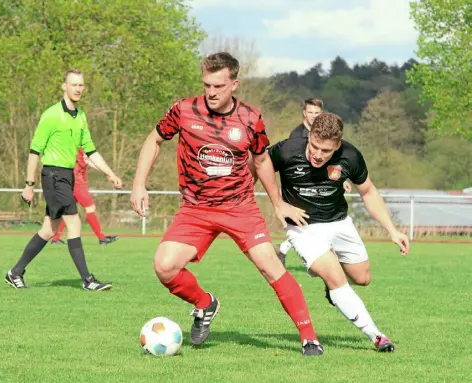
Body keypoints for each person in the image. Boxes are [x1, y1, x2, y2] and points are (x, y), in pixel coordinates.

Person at [130, 52, 324, 356]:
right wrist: (139, 184)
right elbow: (154, 139)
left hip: (239, 207)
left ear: (234, 83)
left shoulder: (250, 118)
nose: (211, 92)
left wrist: (278, 204)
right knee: (164, 266)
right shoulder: (184, 110)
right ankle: (205, 304)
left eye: (218, 86)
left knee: (270, 266)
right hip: (195, 208)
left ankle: (309, 337)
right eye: (207, 84)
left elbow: (261, 161)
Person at [267, 112, 410, 352]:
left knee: (363, 278)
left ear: (338, 145)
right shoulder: (286, 150)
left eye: (326, 151)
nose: (318, 155)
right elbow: (256, 167)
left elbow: (368, 192)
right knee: (336, 278)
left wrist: (393, 231)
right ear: (309, 136)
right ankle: (377, 336)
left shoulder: (351, 156)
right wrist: (278, 203)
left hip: (339, 223)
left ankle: (331, 284)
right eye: (314, 146)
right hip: (303, 227)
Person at [5, 69, 122, 291]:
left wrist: (109, 173)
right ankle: (88, 280)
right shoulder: (51, 115)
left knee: (49, 230)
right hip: (53, 175)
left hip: (67, 176)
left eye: (81, 85)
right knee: (74, 222)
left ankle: (15, 272)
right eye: (74, 84)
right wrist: (29, 185)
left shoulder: (81, 117)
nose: (78, 89)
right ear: (64, 87)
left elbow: (90, 151)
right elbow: (34, 151)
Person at [273, 98, 352, 267]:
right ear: (304, 113)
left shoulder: (327, 135)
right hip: (300, 194)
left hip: (318, 191)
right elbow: (289, 166)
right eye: (310, 112)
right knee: (309, 231)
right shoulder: (296, 136)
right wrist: (279, 201)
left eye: (317, 113)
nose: (313, 116)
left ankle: (283, 250)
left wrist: (340, 180)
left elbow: (329, 165)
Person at [51, 147, 119, 246]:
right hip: (77, 181)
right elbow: (90, 160)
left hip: (70, 180)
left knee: (67, 211)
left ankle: (56, 238)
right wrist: (109, 174)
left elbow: (87, 161)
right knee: (90, 208)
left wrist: (108, 174)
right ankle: (102, 238)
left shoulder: (73, 144)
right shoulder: (78, 143)